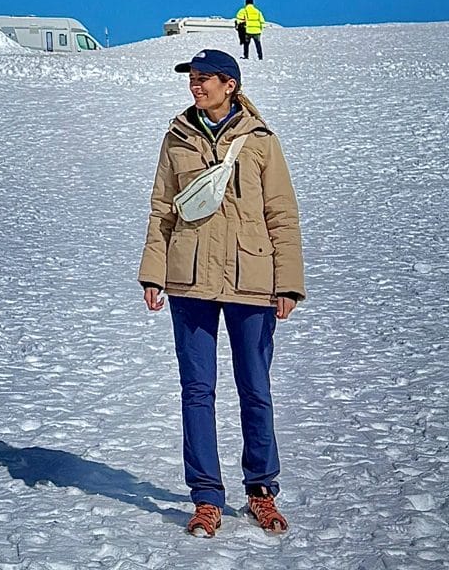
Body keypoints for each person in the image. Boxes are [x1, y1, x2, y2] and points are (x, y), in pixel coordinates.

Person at [139, 48, 305, 538]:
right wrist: (153, 274)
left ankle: (261, 492)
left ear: (230, 84)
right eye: (192, 77)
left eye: (205, 78)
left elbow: (282, 214)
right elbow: (161, 211)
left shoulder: (260, 141)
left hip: (251, 280)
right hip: (188, 279)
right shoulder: (176, 138)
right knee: (197, 390)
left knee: (255, 389)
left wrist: (288, 282)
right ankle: (207, 497)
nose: (196, 85)